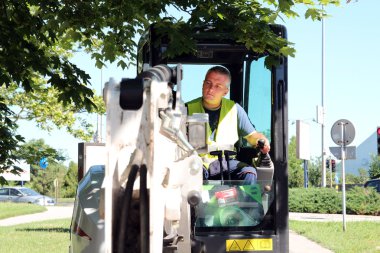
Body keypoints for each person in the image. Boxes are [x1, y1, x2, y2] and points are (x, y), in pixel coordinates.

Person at [186, 66, 270, 184]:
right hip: (197, 163)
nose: (210, 89)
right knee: (189, 175)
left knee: (249, 173)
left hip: (227, 162)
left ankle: (245, 203)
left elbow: (252, 136)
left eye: (217, 86)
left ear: (226, 91)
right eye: (208, 83)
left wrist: (261, 140)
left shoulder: (235, 109)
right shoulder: (186, 109)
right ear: (203, 84)